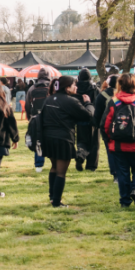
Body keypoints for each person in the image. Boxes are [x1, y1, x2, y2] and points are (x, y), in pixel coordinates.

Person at [40, 76, 94, 208]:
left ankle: (52, 198)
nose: (76, 87)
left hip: (48, 138)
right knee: (61, 172)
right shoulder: (71, 101)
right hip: (63, 138)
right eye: (74, 84)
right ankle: (57, 202)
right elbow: (88, 115)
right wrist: (88, 103)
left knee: (53, 167)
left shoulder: (48, 99)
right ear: (67, 87)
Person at [103, 73, 135, 209]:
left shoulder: (114, 102)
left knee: (122, 172)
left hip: (118, 145)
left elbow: (105, 123)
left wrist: (108, 139)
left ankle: (125, 201)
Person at [26, 68, 52, 173]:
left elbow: (28, 105)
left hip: (36, 118)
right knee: (52, 140)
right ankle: (54, 162)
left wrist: (30, 118)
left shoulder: (32, 88)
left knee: (38, 141)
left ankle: (38, 165)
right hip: (50, 117)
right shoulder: (52, 87)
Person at [74, 69, 100, 172]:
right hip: (93, 118)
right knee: (94, 143)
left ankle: (80, 154)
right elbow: (98, 104)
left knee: (81, 140)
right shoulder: (94, 89)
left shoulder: (75, 89)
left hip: (80, 119)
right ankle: (91, 166)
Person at [94, 74, 118, 182]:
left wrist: (97, 126)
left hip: (107, 127)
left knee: (110, 151)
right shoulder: (123, 94)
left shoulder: (101, 95)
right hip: (123, 126)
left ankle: (115, 174)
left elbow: (97, 114)